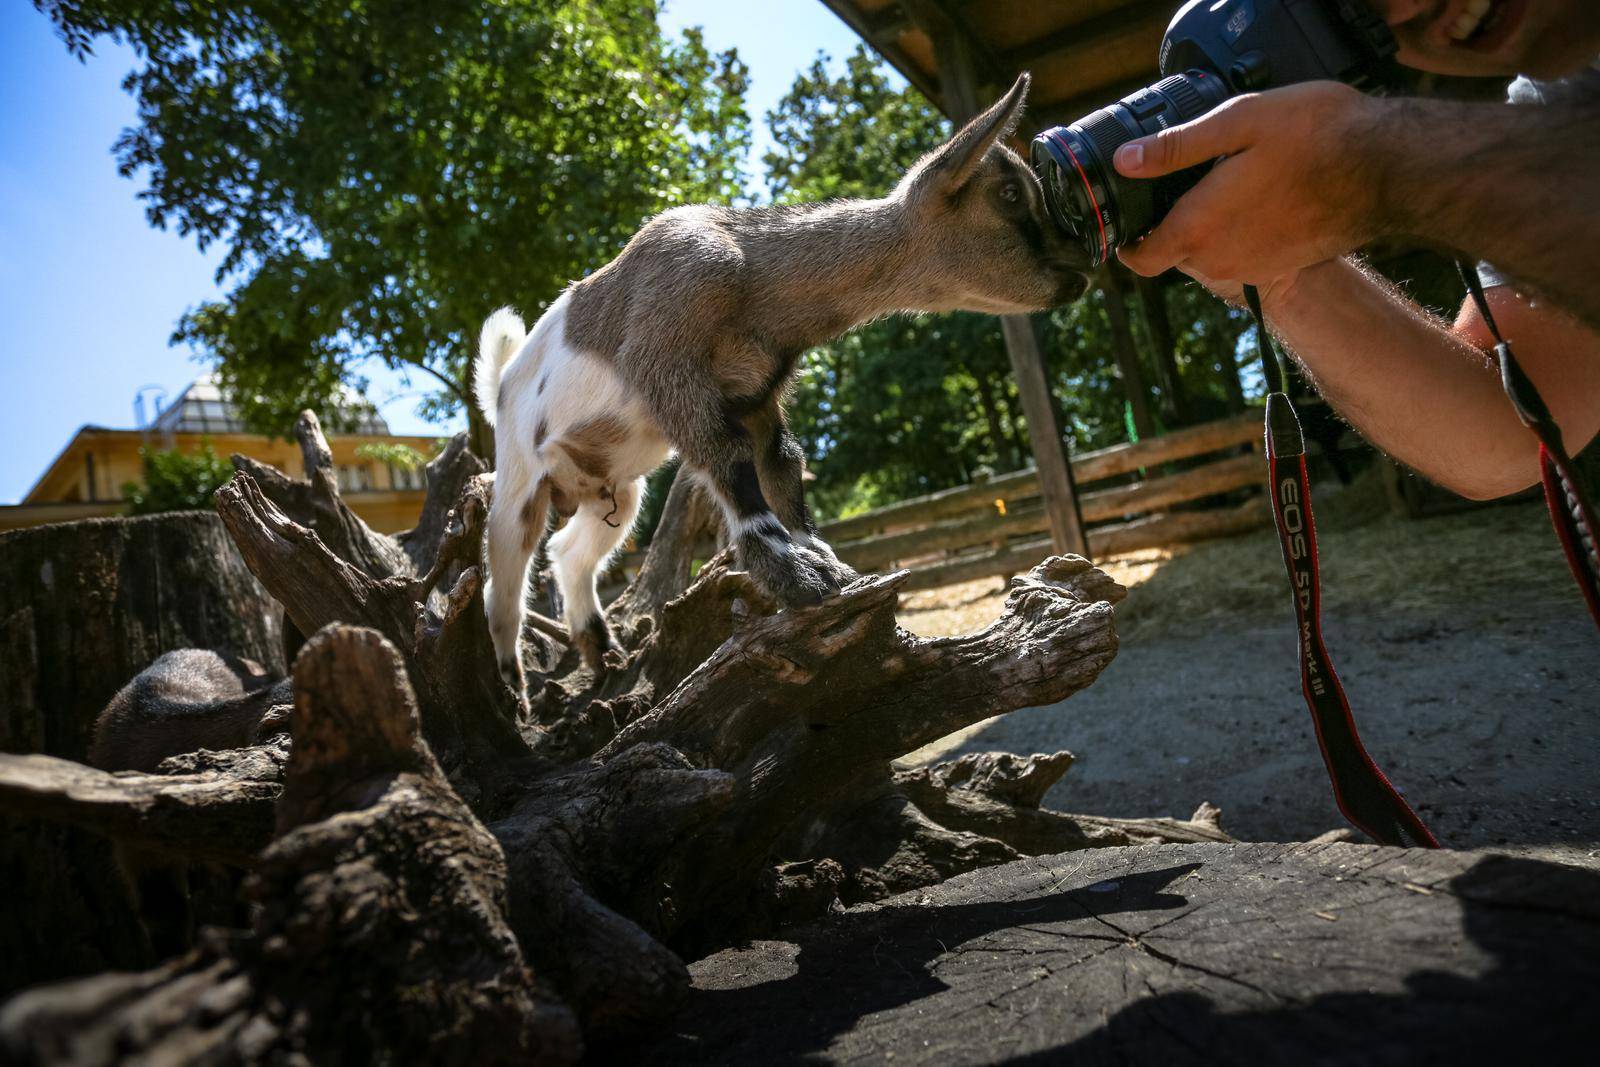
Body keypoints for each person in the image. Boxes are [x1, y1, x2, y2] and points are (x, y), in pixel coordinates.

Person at [1111, 0, 1600, 500]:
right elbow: (1512, 431)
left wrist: (1378, 164)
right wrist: (1285, 281)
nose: (1405, 11)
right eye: (1356, 11)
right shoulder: (1566, 91)